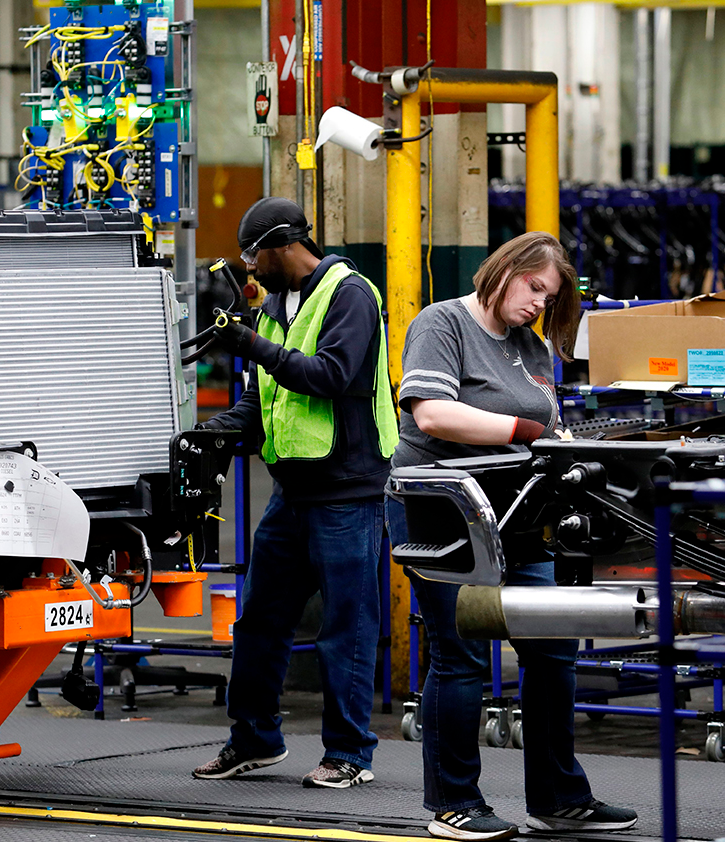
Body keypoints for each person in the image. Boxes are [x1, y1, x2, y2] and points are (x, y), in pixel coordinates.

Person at [393, 231, 638, 841]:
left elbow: (549, 429)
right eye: (534, 288)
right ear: (506, 270)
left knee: (552, 647)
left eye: (548, 298)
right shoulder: (441, 323)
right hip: (445, 511)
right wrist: (523, 429)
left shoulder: (532, 346)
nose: (537, 305)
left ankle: (558, 798)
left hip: (521, 513)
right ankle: (455, 803)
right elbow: (431, 413)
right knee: (463, 655)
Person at [191, 197, 397, 789]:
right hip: (294, 490)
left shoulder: (351, 294)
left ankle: (350, 753)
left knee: (346, 626)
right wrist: (205, 435)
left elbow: (330, 375)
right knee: (258, 619)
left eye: (255, 256)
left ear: (285, 244)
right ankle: (254, 738)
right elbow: (262, 401)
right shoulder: (278, 305)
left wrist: (253, 344)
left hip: (347, 492)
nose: (249, 269)